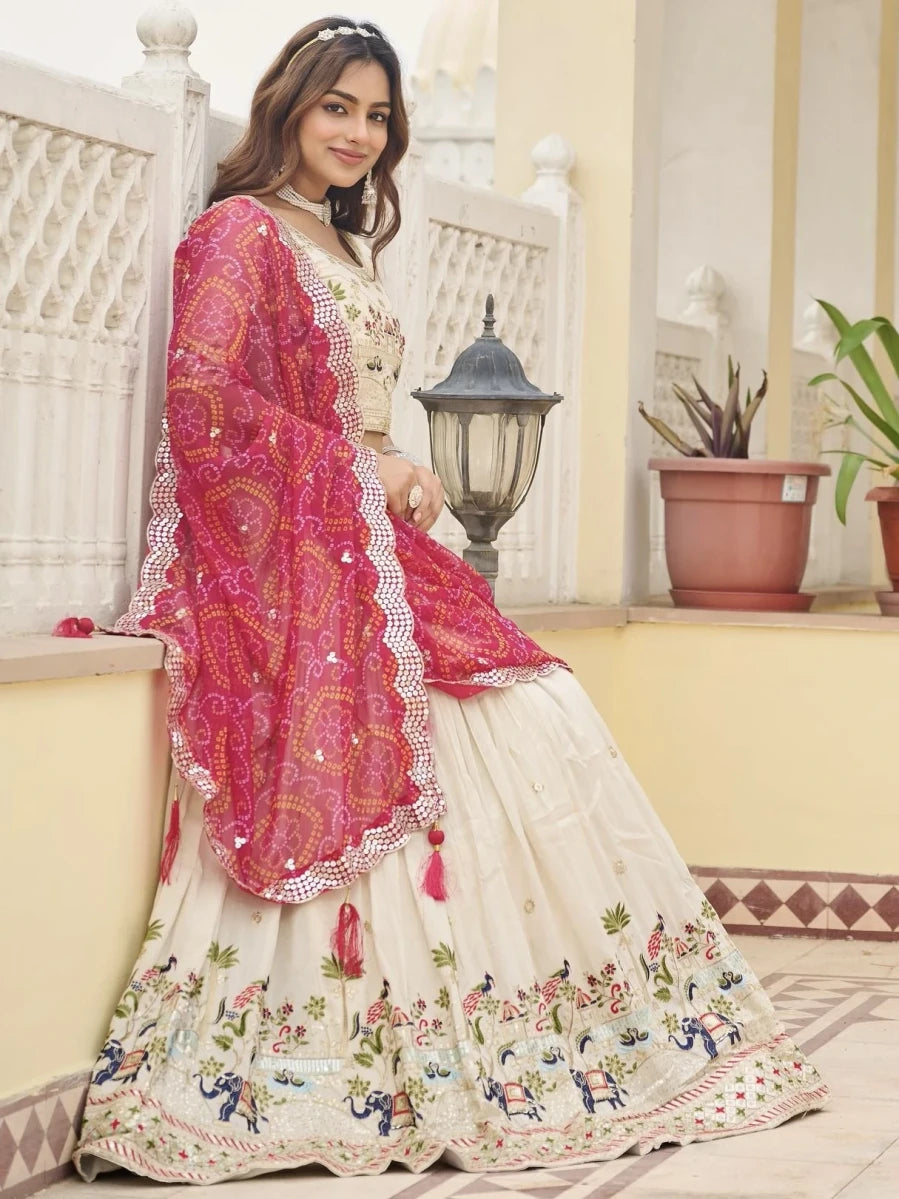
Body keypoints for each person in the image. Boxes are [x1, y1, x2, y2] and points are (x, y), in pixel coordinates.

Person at [73, 17, 827, 1185]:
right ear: (287, 105)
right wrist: (359, 469)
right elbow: (204, 403)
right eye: (337, 107)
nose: (357, 134)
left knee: (536, 706)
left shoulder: (335, 239)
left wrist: (388, 466)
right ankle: (331, 1058)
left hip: (368, 543)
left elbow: (343, 407)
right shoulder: (236, 233)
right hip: (316, 555)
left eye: (377, 116)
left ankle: (553, 1035)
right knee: (483, 726)